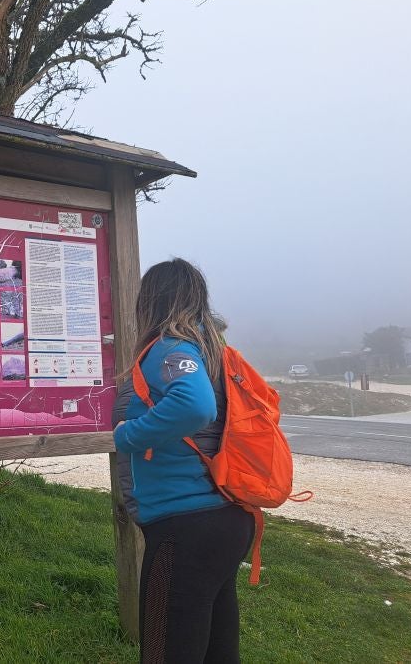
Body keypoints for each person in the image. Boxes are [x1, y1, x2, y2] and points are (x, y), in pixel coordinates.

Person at [112, 258, 254, 664]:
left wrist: (128, 435)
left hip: (184, 526)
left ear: (151, 301)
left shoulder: (170, 348)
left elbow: (194, 406)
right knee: (215, 652)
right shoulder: (214, 352)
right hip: (224, 517)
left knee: (165, 651)